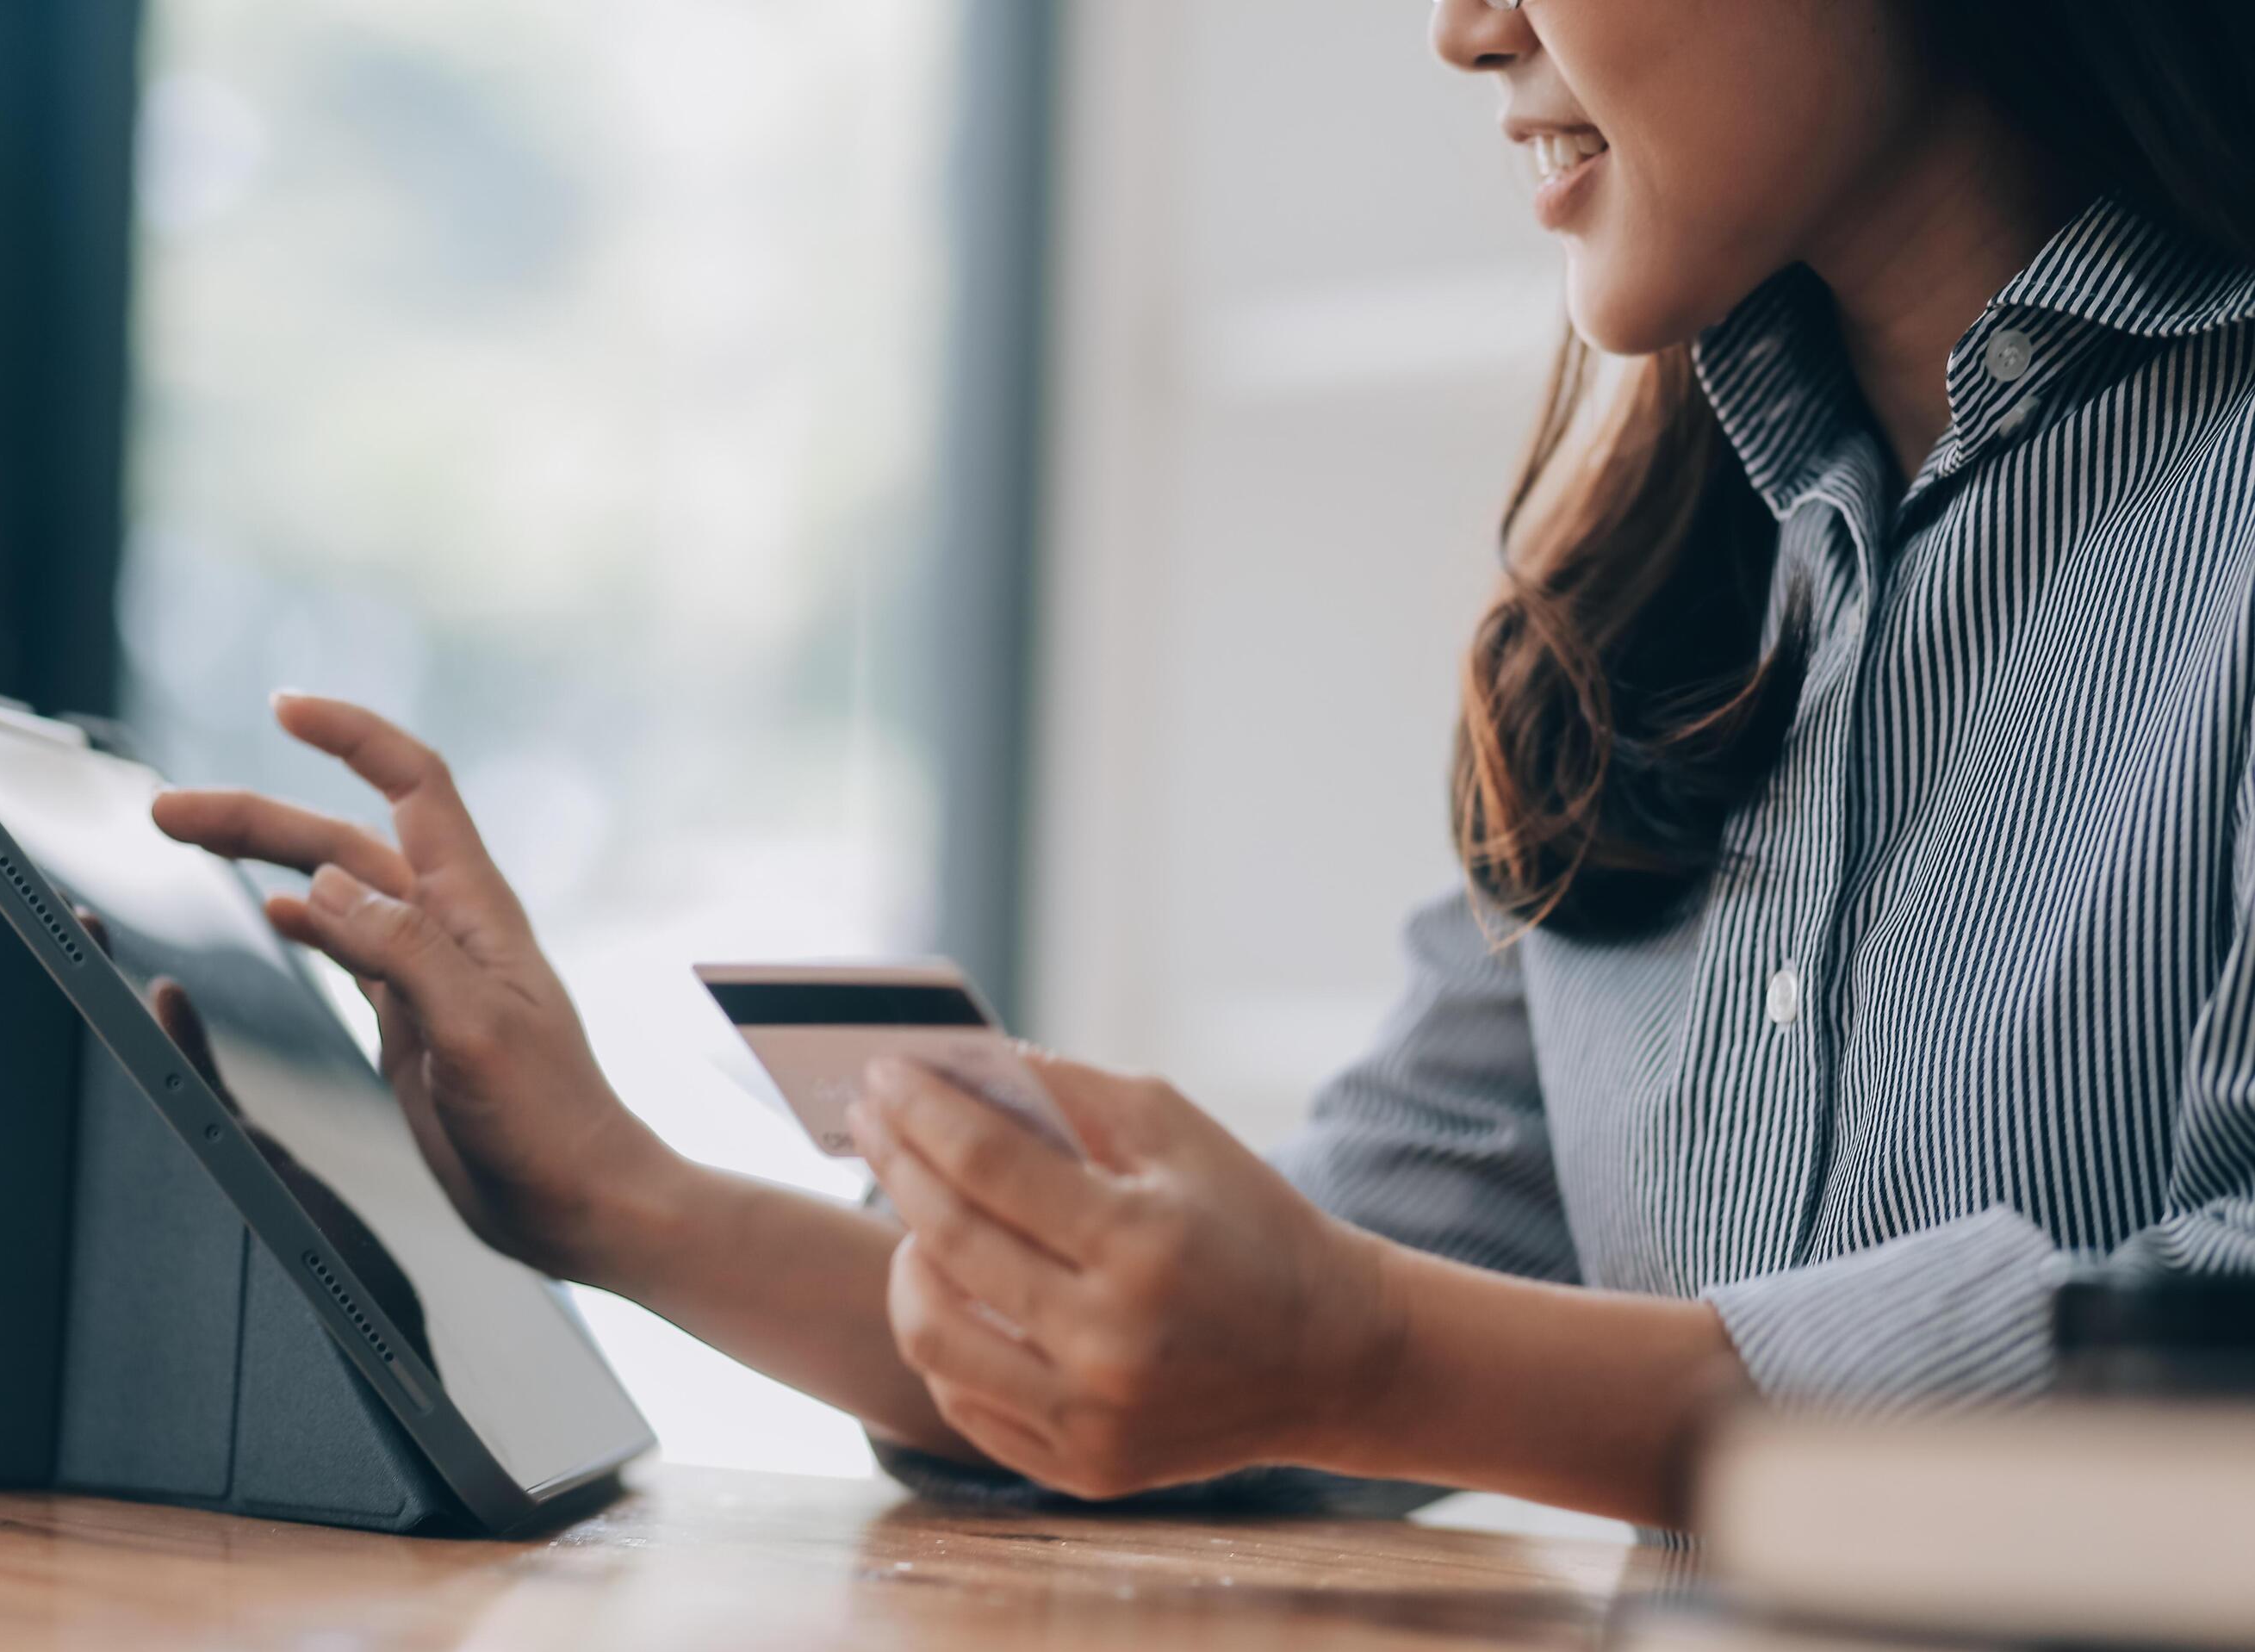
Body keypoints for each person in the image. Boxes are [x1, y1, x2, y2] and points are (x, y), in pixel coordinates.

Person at [153, 0, 2255, 1531]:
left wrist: (1363, 1347)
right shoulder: (1665, 602)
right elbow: (1272, 1342)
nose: (1460, 29)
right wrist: (614, 1195)